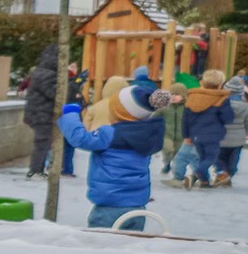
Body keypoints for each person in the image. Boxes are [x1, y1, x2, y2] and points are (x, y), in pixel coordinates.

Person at [58, 75, 174, 230]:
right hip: (137, 207)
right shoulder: (148, 136)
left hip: (109, 206)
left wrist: (71, 115)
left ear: (120, 113)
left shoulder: (110, 134)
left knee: (103, 247)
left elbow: (81, 139)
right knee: (130, 245)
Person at [21, 43, 78, 177]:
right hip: (41, 113)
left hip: (40, 112)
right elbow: (56, 94)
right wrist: (73, 81)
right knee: (43, 143)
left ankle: (38, 169)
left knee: (44, 143)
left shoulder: (43, 72)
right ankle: (35, 170)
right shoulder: (47, 74)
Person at [179, 68, 232, 188]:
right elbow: (227, 118)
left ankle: (204, 181)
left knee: (202, 156)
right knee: (211, 158)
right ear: (220, 85)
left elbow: (185, 119)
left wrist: (186, 135)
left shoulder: (192, 97)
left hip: (195, 134)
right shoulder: (222, 99)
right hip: (213, 135)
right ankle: (196, 174)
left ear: (202, 82)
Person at [217, 76, 248, 185]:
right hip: (238, 139)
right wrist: (245, 133)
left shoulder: (219, 105)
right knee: (233, 158)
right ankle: (229, 173)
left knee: (219, 157)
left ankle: (223, 173)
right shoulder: (246, 107)